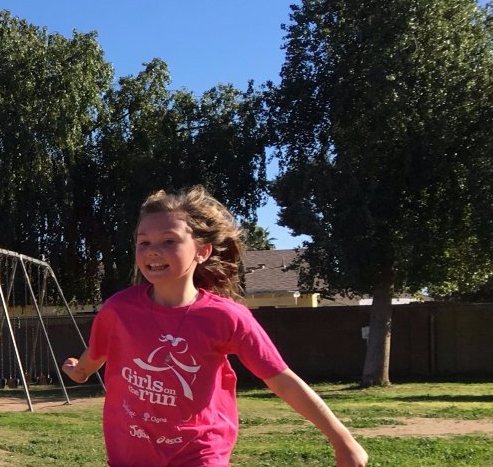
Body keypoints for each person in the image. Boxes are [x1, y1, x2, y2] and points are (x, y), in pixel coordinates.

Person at [61, 187, 368, 466]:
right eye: (144, 242)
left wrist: (343, 440)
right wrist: (81, 370)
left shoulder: (227, 318)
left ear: (202, 251)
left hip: (200, 451)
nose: (153, 250)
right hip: (131, 453)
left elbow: (281, 379)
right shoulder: (119, 309)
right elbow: (98, 353)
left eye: (169, 241)